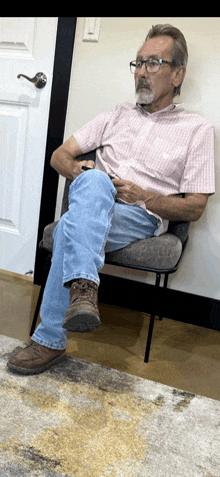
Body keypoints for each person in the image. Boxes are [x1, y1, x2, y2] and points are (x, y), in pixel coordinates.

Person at [8, 24, 215, 375]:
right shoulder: (115, 114)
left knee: (67, 229)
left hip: (140, 214)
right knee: (92, 182)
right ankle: (83, 291)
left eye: (153, 63)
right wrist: (81, 172)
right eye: (138, 64)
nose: (142, 73)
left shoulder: (197, 129)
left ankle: (49, 340)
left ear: (177, 74)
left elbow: (195, 206)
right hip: (96, 200)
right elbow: (60, 155)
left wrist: (145, 195)